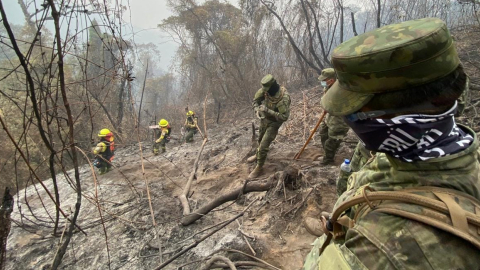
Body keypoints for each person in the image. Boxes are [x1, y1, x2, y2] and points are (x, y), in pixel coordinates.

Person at [303, 17, 480, 269]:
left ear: (397, 120)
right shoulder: (421, 147)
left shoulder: (383, 250)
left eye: (354, 112)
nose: (349, 121)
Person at [247, 74, 291, 179]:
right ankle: (258, 155)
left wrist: (268, 111)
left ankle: (259, 167)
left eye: (267, 90)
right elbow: (255, 101)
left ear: (273, 87)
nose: (265, 92)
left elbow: (284, 117)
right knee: (260, 139)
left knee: (263, 146)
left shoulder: (283, 97)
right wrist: (257, 109)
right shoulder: (265, 91)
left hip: (274, 123)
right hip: (264, 120)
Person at [317, 68, 350, 165]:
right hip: (329, 117)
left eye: (324, 80)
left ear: (331, 80)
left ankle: (328, 161)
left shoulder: (341, 90)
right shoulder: (328, 86)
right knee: (323, 134)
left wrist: (328, 106)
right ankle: (328, 154)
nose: (322, 82)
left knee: (331, 141)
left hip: (339, 120)